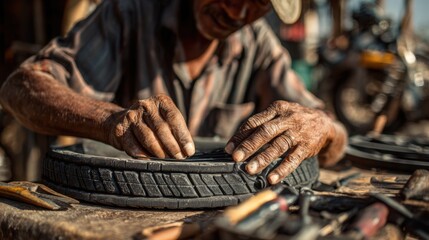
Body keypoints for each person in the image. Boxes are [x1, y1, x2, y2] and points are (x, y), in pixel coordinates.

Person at [0, 0, 347, 185]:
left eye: (258, 3)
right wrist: (110, 120)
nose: (238, 13)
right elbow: (20, 86)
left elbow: (334, 138)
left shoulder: (259, 44)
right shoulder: (129, 11)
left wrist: (321, 126)